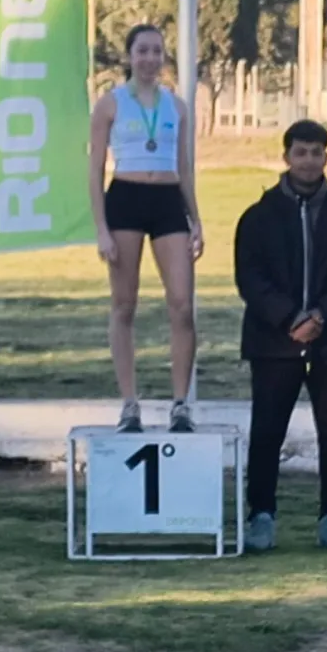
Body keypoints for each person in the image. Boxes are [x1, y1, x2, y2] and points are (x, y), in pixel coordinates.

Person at [235, 120, 327, 552]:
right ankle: (261, 519)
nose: (309, 161)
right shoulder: (257, 217)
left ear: (326, 159)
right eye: (301, 153)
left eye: (316, 153)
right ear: (286, 157)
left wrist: (320, 316)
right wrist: (288, 319)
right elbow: (250, 278)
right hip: (273, 345)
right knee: (266, 434)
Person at [88, 24, 203, 433]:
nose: (150, 59)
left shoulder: (178, 106)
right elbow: (95, 169)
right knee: (124, 305)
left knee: (182, 304)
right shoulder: (110, 104)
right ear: (130, 55)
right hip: (126, 200)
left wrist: (196, 220)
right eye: (142, 51)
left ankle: (180, 405)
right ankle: (129, 404)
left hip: (168, 202)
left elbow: (185, 168)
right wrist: (101, 228)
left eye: (157, 51)